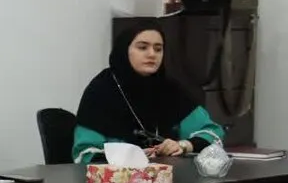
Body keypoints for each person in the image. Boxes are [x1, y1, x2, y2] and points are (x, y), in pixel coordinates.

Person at [72, 22, 225, 163]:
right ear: (124, 50)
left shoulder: (170, 89)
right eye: (142, 47)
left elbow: (213, 133)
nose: (152, 54)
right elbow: (85, 153)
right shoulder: (101, 90)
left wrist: (183, 145)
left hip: (170, 177)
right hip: (117, 181)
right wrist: (132, 157)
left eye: (158, 49)